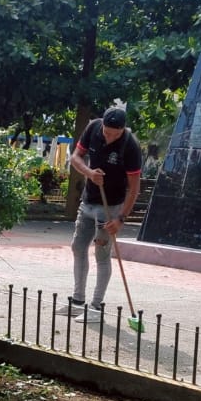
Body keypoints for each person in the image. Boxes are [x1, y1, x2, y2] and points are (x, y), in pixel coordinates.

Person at [69, 104, 142, 318]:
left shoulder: (130, 146)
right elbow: (75, 157)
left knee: (101, 254)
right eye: (107, 132)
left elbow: (134, 189)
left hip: (110, 208)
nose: (109, 137)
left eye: (115, 134)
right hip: (88, 202)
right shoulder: (93, 128)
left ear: (123, 130)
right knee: (77, 247)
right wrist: (90, 173)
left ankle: (96, 306)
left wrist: (121, 219)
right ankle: (78, 300)